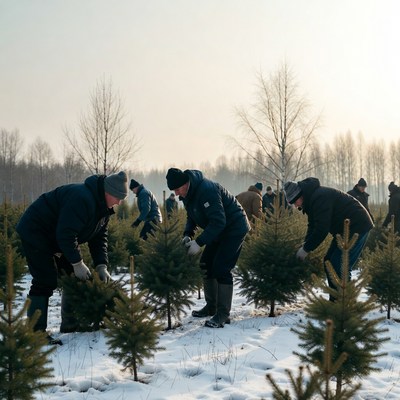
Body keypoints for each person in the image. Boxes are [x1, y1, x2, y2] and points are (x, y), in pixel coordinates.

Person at [16, 171, 129, 343]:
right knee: (45, 279)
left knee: (72, 276)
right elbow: (66, 234)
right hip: (36, 231)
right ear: (107, 193)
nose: (119, 202)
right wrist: (77, 262)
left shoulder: (104, 209)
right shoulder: (82, 199)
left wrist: (101, 265)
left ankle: (70, 325)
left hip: (56, 237)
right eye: (117, 197)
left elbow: (99, 238)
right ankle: (35, 334)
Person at [166, 167, 251, 328]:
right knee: (205, 264)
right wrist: (188, 234)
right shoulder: (187, 194)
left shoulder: (207, 190)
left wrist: (199, 243)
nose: (176, 194)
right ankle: (211, 306)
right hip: (218, 230)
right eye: (174, 191)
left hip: (234, 228)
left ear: (185, 183)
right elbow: (191, 215)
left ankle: (223, 314)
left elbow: (219, 221)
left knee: (221, 268)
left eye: (177, 189)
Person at [283, 177, 373, 293]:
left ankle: (344, 303)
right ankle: (335, 299)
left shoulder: (319, 197)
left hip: (358, 226)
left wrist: (305, 249)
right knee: (329, 262)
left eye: (295, 202)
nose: (295, 206)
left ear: (300, 195)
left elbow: (322, 229)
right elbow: (313, 225)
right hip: (342, 231)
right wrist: (305, 244)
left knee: (339, 265)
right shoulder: (310, 200)